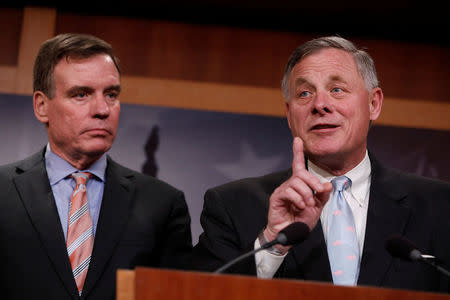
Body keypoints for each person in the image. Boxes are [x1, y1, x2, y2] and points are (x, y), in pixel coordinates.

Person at [192, 36, 450, 293]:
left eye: (337, 90)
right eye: (304, 93)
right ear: (290, 115)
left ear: (373, 104)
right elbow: (196, 294)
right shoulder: (232, 206)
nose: (319, 105)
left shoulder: (439, 205)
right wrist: (273, 243)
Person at [0, 33, 192, 299]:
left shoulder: (162, 204)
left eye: (111, 94)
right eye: (81, 94)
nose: (102, 109)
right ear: (42, 106)